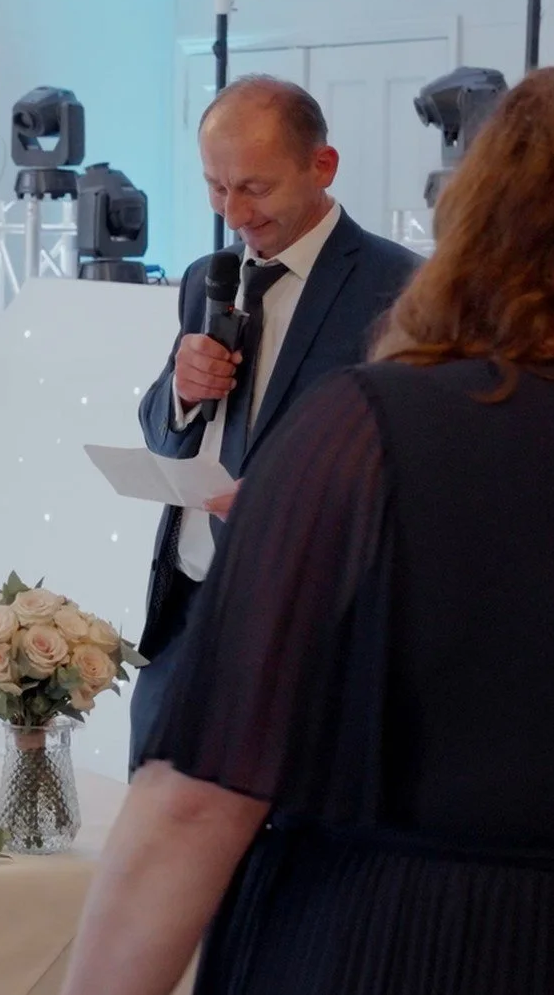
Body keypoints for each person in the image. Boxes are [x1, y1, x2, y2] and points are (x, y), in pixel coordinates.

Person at [65, 66, 554, 994]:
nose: (233, 207)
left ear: (485, 215)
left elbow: (198, 804)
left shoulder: (373, 427)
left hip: (410, 938)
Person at [127, 75, 421, 768]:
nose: (232, 211)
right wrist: (182, 391)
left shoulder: (400, 289)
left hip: (307, 627)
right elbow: (161, 429)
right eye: (214, 186)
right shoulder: (208, 277)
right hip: (189, 614)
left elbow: (407, 472)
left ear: (322, 167)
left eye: (254, 187)